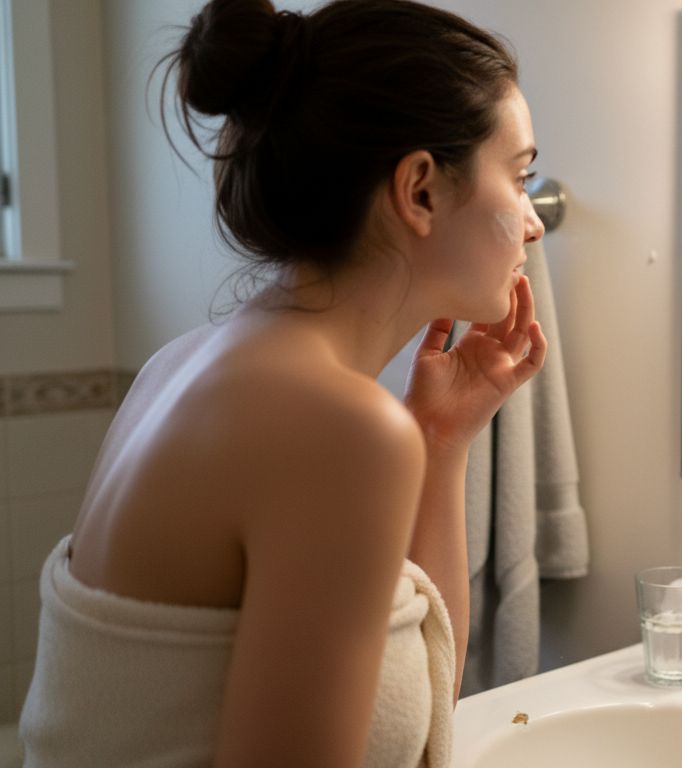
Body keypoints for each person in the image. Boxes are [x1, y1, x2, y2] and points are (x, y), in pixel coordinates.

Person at [18, 1, 546, 765]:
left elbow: (423, 695)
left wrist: (441, 436)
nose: (533, 222)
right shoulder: (335, 424)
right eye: (521, 176)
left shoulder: (188, 364)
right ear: (421, 190)